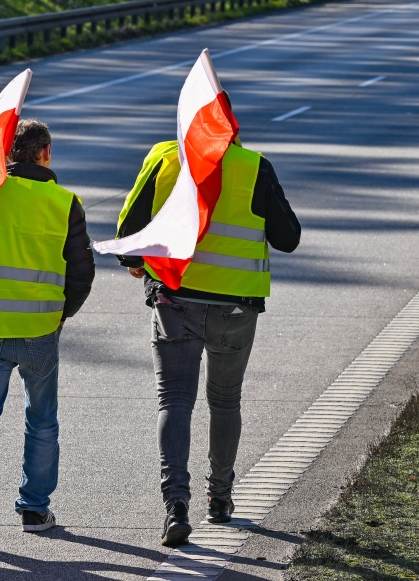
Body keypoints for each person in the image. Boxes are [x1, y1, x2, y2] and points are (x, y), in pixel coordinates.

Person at [113, 109, 300, 546]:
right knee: (224, 399)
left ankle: (176, 506)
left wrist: (142, 263)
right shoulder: (254, 166)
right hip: (235, 307)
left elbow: (127, 234)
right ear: (233, 128)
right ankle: (220, 498)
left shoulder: (164, 158)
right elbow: (288, 237)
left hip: (174, 303)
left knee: (174, 402)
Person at [0, 119, 94, 551]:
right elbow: (83, 275)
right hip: (40, 330)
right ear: (44, 153)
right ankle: (33, 508)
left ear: (8, 155)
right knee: (41, 420)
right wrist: (60, 316)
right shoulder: (64, 202)